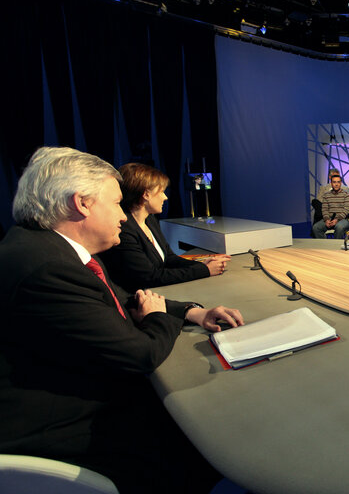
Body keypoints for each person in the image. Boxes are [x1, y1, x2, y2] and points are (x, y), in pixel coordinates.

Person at [0, 146, 244, 494]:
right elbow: (139, 354)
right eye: (115, 203)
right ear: (81, 203)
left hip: (72, 395)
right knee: (202, 438)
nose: (122, 216)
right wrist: (158, 318)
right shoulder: (47, 267)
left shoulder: (46, 248)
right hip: (61, 426)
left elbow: (126, 298)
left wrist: (194, 311)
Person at [100, 163, 230, 293]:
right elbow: (149, 277)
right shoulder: (124, 230)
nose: (165, 197)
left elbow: (169, 258)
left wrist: (203, 264)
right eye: (161, 191)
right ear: (146, 194)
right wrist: (204, 270)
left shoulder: (150, 219)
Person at [312, 173, 349, 238]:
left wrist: (337, 219)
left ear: (341, 183)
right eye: (334, 182)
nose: (336, 184)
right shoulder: (326, 195)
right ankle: (324, 246)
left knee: (339, 227)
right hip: (329, 219)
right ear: (331, 184)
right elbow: (324, 209)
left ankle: (336, 246)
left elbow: (346, 210)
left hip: (343, 219)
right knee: (316, 227)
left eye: (338, 182)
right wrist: (326, 219)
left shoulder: (347, 195)